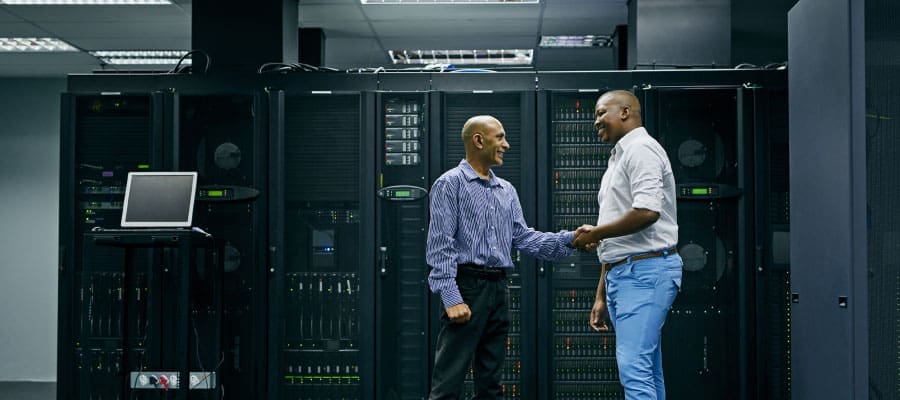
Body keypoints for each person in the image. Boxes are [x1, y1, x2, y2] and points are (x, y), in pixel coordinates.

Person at [426, 115, 578, 400]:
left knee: (491, 384)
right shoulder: (450, 184)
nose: (506, 145)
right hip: (467, 286)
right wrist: (451, 297)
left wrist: (571, 240)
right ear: (479, 140)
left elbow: (524, 238)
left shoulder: (506, 190)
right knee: (448, 382)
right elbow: (440, 245)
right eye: (500, 137)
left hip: (499, 288)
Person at [571, 90, 682, 400]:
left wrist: (593, 234)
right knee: (646, 369)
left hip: (646, 271)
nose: (596, 122)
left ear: (624, 112)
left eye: (601, 113)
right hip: (628, 273)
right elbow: (617, 238)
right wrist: (601, 294)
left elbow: (647, 213)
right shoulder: (619, 157)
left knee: (634, 367)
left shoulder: (642, 150)